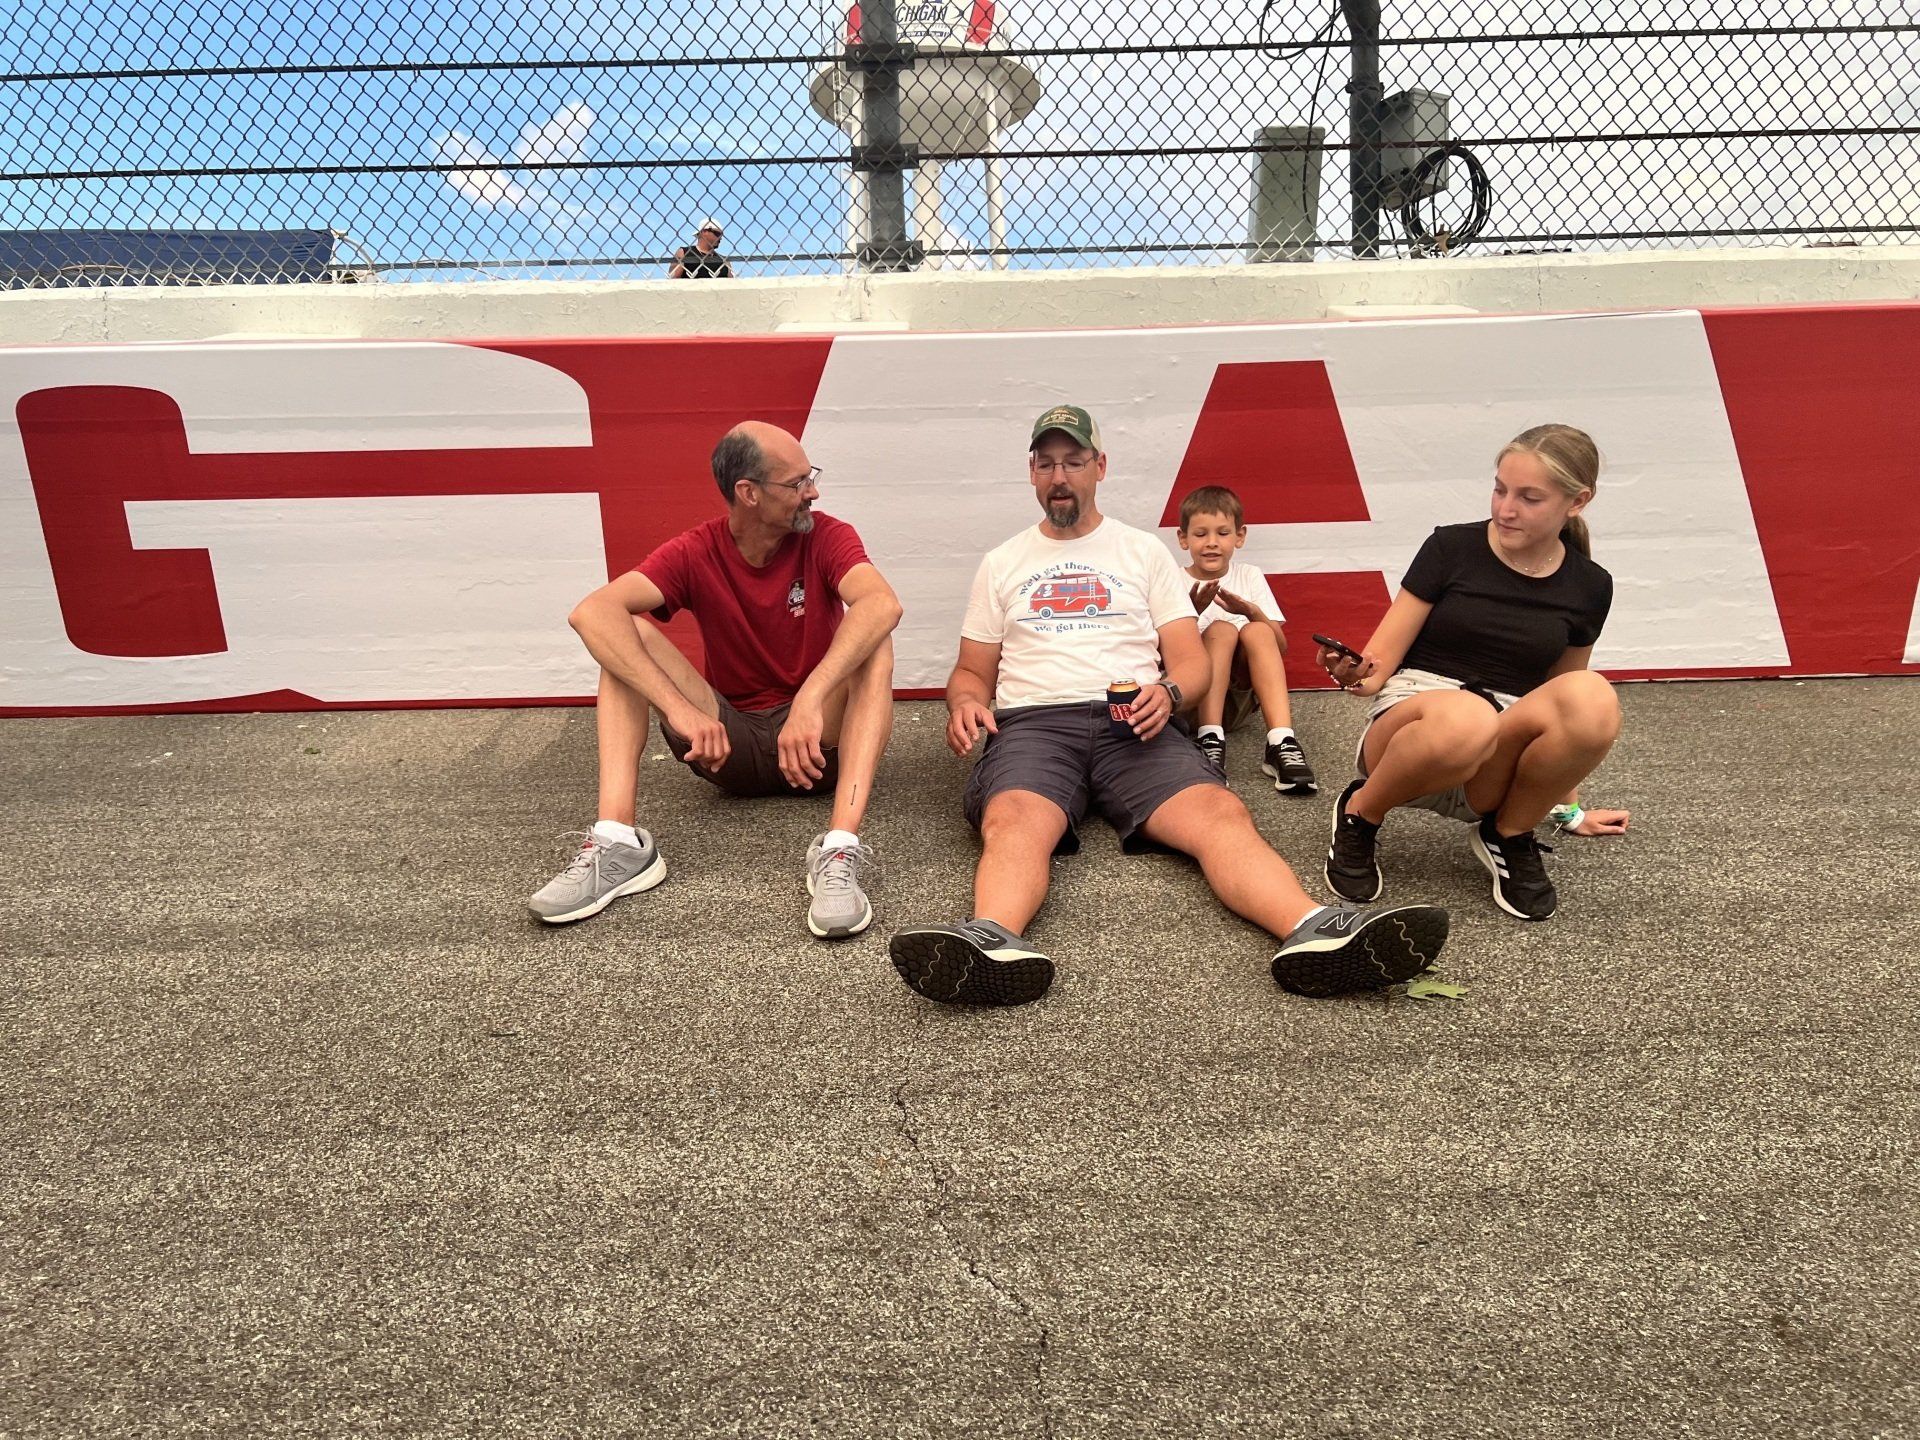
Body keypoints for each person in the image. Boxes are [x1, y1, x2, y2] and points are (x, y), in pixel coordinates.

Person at [888, 404, 1450, 1007]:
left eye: (1073, 461)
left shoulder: (1142, 551)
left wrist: (1171, 692)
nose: (1060, 476)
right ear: (1031, 473)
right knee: (1015, 821)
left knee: (1218, 812)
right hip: (1035, 722)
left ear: (1100, 466)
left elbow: (1190, 660)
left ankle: (1315, 930)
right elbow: (972, 671)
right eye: (1046, 464)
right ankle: (992, 941)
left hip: (1134, 716)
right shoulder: (1003, 561)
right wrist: (965, 703)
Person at [529, 421, 900, 938]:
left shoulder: (827, 535)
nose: (812, 492)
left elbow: (883, 603)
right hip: (729, 745)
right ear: (748, 493)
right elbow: (590, 613)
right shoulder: (696, 550)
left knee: (874, 638)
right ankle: (618, 842)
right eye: (796, 483)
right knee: (624, 635)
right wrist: (679, 710)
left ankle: (839, 849)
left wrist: (810, 699)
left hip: (817, 748)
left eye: (810, 477)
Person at [1318, 422, 1630, 923]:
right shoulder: (1451, 548)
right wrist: (1352, 673)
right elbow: (1375, 671)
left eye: (1529, 497)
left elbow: (1563, 704)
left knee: (1593, 695)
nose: (1506, 509)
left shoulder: (1590, 585)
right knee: (1467, 717)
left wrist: (1568, 810)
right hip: (1412, 732)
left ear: (1577, 502)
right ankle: (1361, 812)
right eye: (1500, 489)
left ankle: (1508, 833)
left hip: (1496, 754)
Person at [1173, 484, 1317, 794]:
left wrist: (1251, 611)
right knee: (1221, 630)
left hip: (1237, 701)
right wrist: (1191, 612)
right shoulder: (1173, 580)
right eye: (1200, 534)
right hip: (1192, 703)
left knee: (1258, 629)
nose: (1212, 542)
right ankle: (1209, 739)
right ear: (1183, 538)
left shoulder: (1248, 575)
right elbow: (1162, 653)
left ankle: (1281, 741)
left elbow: (1280, 646)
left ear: (1240, 536)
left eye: (1223, 533)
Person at [669, 218, 733, 279]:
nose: (720, 238)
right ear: (704, 231)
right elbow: (673, 281)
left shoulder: (724, 261)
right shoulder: (684, 253)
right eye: (717, 233)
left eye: (721, 235)